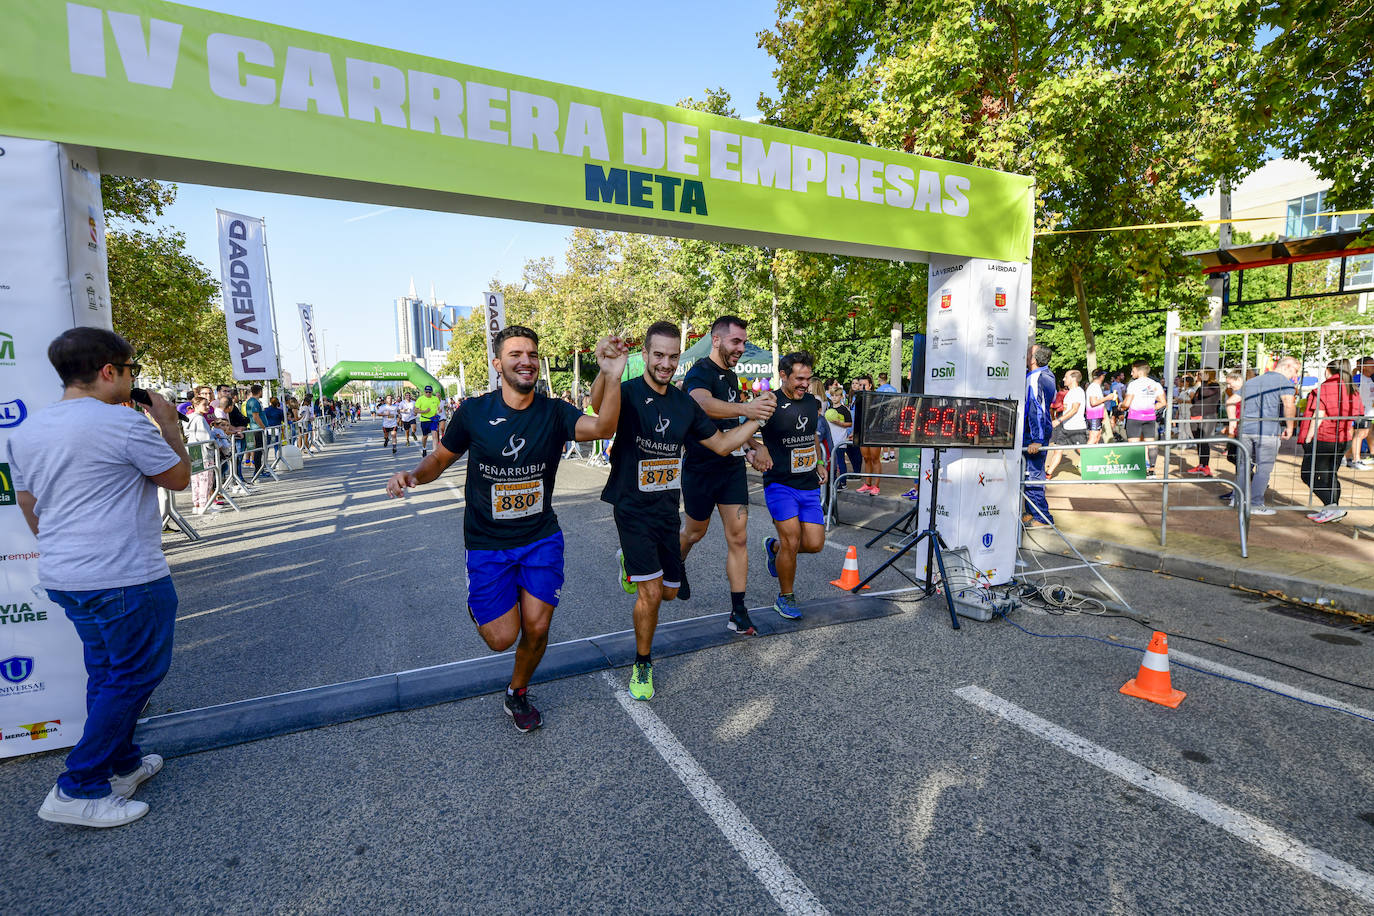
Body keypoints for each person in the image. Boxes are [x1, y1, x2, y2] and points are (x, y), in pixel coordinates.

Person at [387, 326, 628, 731]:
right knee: (502, 637)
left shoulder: (553, 412)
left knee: (537, 627)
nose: (526, 361)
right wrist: (413, 475)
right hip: (486, 543)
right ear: (498, 364)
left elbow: (603, 428)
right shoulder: (474, 413)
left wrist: (612, 374)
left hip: (540, 539)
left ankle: (517, 691)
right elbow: (441, 459)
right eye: (516, 354)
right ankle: (485, 606)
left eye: (532, 354)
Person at [8, 328, 190, 828]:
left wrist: (65, 546)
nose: (134, 380)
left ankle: (119, 764)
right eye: (131, 371)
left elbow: (27, 502)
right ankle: (78, 785)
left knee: (109, 673)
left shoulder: (26, 433)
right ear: (109, 371)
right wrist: (169, 425)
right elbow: (177, 478)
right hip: (124, 573)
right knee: (134, 676)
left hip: (68, 574)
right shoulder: (121, 425)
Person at [592, 321, 769, 701]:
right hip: (631, 506)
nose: (666, 363)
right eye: (658, 355)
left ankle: (631, 566)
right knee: (652, 594)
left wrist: (756, 420)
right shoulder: (626, 391)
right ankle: (642, 662)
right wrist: (605, 373)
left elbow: (722, 444)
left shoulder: (683, 404)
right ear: (646, 355)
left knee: (670, 593)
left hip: (666, 507)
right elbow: (596, 411)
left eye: (673, 357)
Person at [677, 316, 776, 635]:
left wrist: (754, 443)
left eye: (744, 342)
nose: (741, 348)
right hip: (701, 469)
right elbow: (702, 405)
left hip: (731, 470)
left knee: (739, 537)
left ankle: (738, 610)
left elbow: (731, 423)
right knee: (694, 534)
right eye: (736, 341)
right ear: (716, 340)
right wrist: (748, 410)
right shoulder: (699, 373)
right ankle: (675, 563)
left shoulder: (732, 378)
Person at [756, 352, 828, 620]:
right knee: (792, 539)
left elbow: (810, 435)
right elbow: (739, 430)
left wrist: (819, 460)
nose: (804, 384)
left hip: (808, 483)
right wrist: (758, 447)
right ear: (783, 375)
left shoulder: (811, 402)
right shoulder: (768, 402)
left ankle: (773, 548)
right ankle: (785, 597)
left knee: (815, 543)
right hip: (780, 483)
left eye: (808, 379)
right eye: (799, 378)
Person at [1222, 356, 1299, 516]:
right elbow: (1289, 405)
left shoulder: (1252, 381)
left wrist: (1233, 423)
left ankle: (1236, 498)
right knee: (1263, 469)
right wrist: (1290, 427)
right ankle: (1255, 503)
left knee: (1244, 466)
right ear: (1288, 367)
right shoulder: (1285, 383)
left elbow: (1230, 402)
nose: (1295, 375)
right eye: (1295, 371)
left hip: (1246, 430)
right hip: (1267, 431)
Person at [1299, 359, 1362, 523]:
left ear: (1329, 370)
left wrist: (1308, 437)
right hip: (1343, 438)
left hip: (1324, 437)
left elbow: (1318, 415)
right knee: (1329, 475)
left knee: (1308, 474)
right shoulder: (1353, 389)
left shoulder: (1326, 388)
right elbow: (1357, 415)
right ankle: (1331, 509)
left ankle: (1333, 507)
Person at [1023, 344, 1056, 526]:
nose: (1025, 354)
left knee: (1033, 475)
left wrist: (1037, 439)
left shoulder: (1038, 377)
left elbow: (1038, 409)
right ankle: (1031, 512)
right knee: (1028, 474)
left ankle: (1042, 517)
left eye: (1028, 352)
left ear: (1034, 359)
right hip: (1034, 432)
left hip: (1034, 435)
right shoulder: (1043, 375)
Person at [1119, 360, 1167, 475]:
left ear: (1138, 370)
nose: (1131, 373)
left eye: (1132, 371)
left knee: (1134, 444)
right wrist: (1151, 408)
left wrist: (1121, 406)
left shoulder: (1134, 384)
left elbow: (1127, 403)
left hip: (1134, 417)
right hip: (1149, 417)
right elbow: (1163, 402)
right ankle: (1151, 471)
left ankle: (1136, 471)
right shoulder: (1155, 384)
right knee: (1151, 443)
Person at [1046, 369, 1087, 476]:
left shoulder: (1078, 391)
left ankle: (1093, 472)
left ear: (1073, 378)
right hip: (1065, 428)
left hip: (1076, 428)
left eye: (1066, 377)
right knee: (1057, 450)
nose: (1064, 379)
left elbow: (1074, 409)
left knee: (1083, 452)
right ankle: (1048, 474)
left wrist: (1058, 420)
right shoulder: (1070, 392)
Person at [185, 395, 218, 515]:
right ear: (196, 405)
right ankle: (204, 504)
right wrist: (215, 445)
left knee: (196, 479)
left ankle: (197, 503)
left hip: (193, 450)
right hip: (204, 452)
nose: (208, 407)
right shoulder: (200, 419)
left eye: (208, 404)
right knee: (206, 479)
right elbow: (206, 437)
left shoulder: (189, 418)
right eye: (205, 405)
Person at [853, 375, 883, 494]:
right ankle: (867, 484)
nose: (862, 387)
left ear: (870, 385)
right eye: (860, 385)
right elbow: (858, 417)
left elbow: (878, 417)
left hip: (875, 432)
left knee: (875, 458)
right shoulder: (858, 398)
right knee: (866, 458)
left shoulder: (876, 398)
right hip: (862, 432)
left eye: (864, 385)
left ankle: (876, 486)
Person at [1348, 356, 1374, 470]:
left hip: (1370, 411)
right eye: (1371, 364)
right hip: (1361, 412)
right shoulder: (1358, 378)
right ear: (1363, 367)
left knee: (1368, 433)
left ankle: (1353, 458)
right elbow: (1349, 392)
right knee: (1359, 434)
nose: (1373, 366)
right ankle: (1355, 459)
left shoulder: (1371, 379)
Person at [1084, 368, 1113, 446]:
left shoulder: (1096, 386)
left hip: (1096, 415)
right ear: (1101, 376)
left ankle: (1093, 456)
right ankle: (1086, 456)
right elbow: (1093, 402)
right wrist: (1107, 398)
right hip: (1094, 415)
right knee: (1093, 438)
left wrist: (1102, 414)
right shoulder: (1094, 387)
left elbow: (1098, 401)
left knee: (1096, 438)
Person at [415, 384, 442, 458]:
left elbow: (439, 407)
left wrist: (439, 410)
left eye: (429, 392)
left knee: (435, 435)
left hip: (433, 420)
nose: (428, 393)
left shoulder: (435, 399)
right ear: (424, 392)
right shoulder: (420, 399)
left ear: (432, 392)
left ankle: (434, 452)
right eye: (426, 392)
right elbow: (415, 410)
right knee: (425, 436)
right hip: (424, 420)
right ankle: (424, 448)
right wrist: (424, 411)